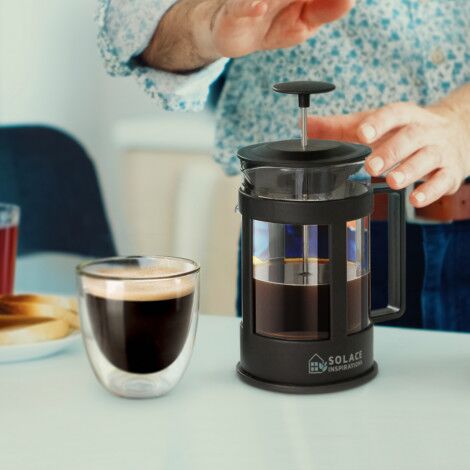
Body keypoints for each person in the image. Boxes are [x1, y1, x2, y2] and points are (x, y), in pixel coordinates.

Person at [97, 0, 470, 330]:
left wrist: (460, 120)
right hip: (310, 236)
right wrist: (207, 23)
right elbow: (134, 14)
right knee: (295, 382)